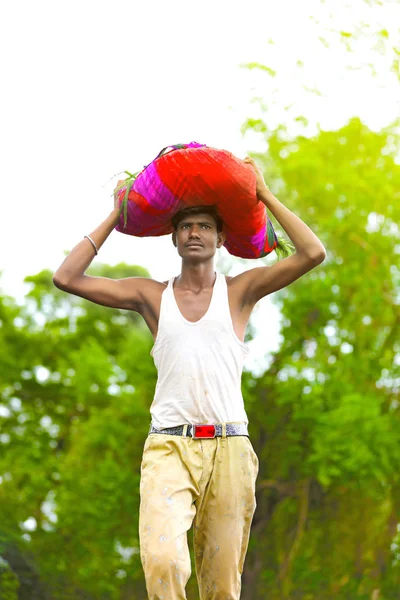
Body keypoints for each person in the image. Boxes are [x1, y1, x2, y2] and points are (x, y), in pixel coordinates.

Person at [53, 156, 326, 599]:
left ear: (221, 238)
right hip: (169, 446)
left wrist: (264, 192)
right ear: (174, 238)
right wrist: (116, 213)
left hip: (230, 449)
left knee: (221, 586)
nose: (194, 232)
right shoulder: (150, 296)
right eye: (186, 226)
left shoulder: (240, 292)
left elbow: (313, 253)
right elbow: (66, 277)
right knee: (163, 561)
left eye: (204, 226)